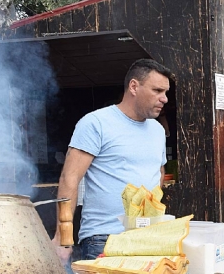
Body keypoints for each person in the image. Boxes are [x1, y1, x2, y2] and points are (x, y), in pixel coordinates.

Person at [54, 59, 171, 261]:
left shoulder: (158, 130)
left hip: (149, 238)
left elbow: (158, 173)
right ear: (134, 86)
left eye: (166, 92)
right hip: (104, 238)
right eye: (157, 91)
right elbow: (69, 178)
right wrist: (62, 238)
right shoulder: (96, 123)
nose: (165, 99)